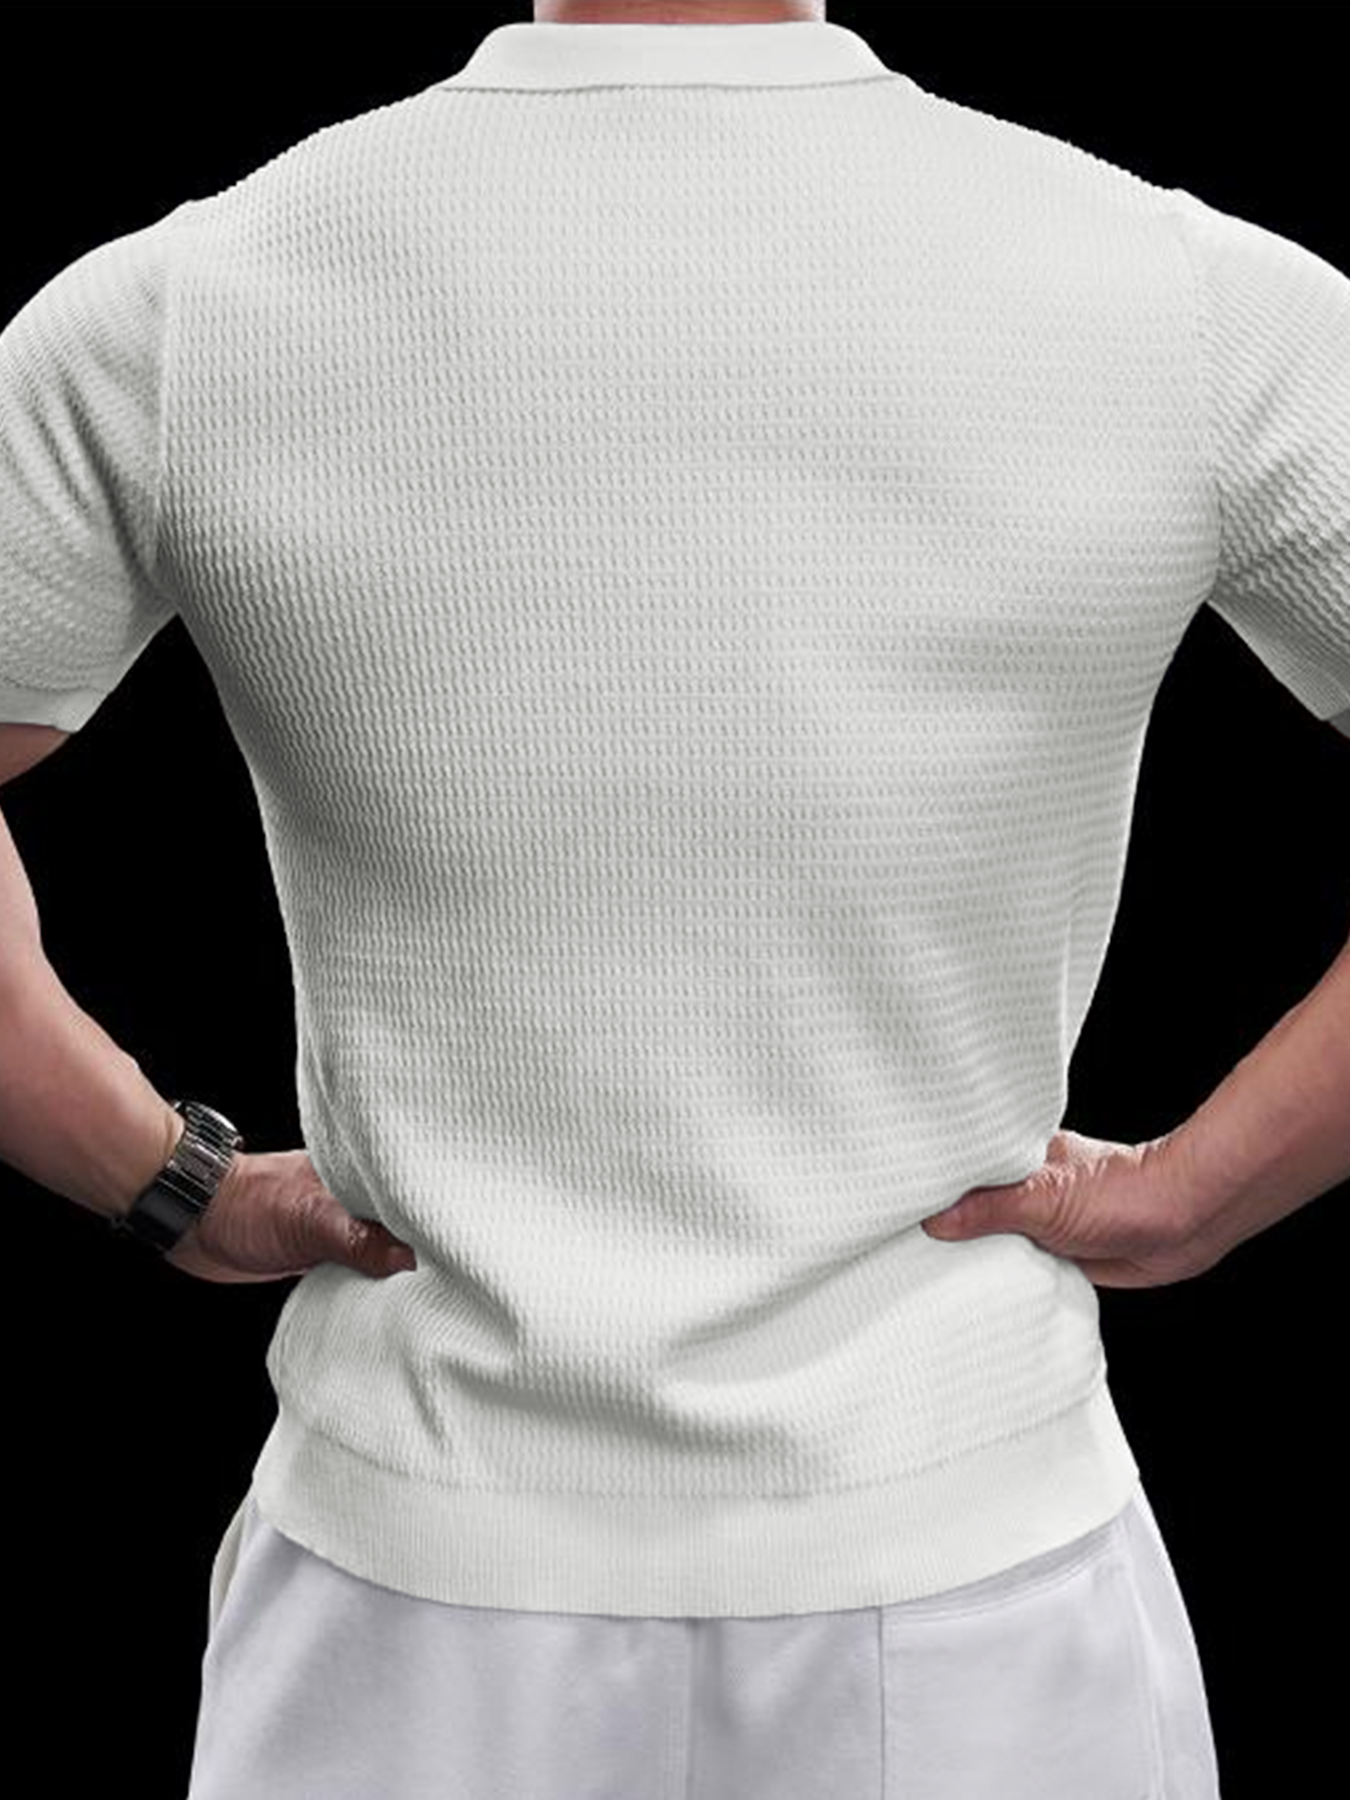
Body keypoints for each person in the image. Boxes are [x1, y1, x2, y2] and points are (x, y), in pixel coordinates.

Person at [0, 0, 1346, 1793]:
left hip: (405, 1613)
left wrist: (165, 1180)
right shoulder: (1185, 299)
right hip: (984, 1594)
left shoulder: (189, 305)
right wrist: (1196, 1194)